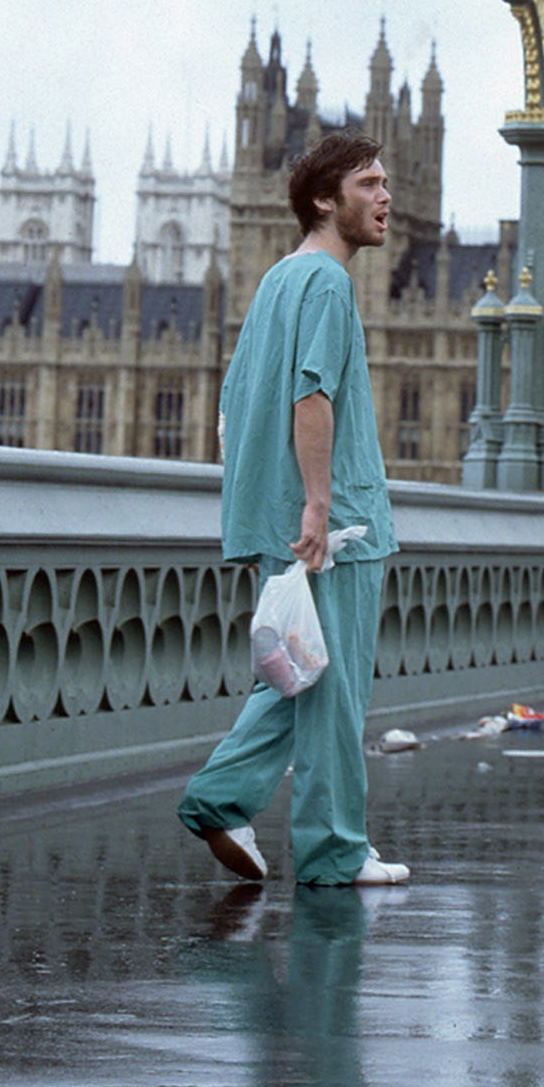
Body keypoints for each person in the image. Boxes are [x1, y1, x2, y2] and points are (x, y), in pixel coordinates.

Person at [178, 131, 409, 887]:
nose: (384, 198)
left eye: (385, 184)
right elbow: (313, 394)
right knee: (334, 688)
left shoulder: (277, 280)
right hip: (334, 524)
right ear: (324, 199)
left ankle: (220, 797)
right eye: (369, 184)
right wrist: (318, 502)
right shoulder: (330, 285)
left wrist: (272, 506)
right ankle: (334, 849)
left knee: (298, 671)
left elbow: (238, 400)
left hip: (282, 517)